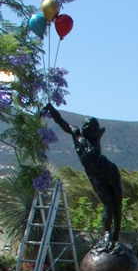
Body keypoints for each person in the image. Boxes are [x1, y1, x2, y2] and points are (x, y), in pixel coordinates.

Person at [44, 103, 123, 251]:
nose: (90, 129)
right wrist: (51, 109)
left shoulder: (96, 137)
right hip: (95, 176)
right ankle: (107, 235)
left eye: (93, 127)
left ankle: (115, 238)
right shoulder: (77, 135)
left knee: (118, 205)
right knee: (109, 205)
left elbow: (100, 134)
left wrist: (98, 135)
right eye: (88, 126)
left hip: (109, 169)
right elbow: (61, 122)